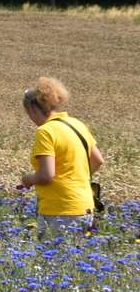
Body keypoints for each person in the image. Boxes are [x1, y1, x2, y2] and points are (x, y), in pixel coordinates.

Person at [17, 77, 103, 235]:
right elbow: (98, 160)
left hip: (59, 209)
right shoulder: (77, 125)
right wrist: (76, 175)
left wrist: (28, 179)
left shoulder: (45, 131)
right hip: (85, 206)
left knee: (50, 257)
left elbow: (46, 175)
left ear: (33, 109)